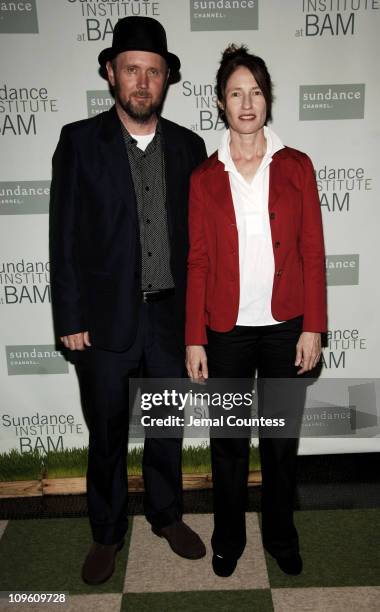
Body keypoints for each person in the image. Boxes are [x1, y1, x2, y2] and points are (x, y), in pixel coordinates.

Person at [49, 16, 207, 585]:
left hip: (169, 318)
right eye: (132, 69)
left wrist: (199, 324)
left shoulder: (191, 147)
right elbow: (62, 236)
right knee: (108, 433)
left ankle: (167, 516)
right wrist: (68, 316)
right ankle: (107, 532)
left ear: (167, 80)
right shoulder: (77, 141)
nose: (142, 82)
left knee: (167, 427)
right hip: (102, 323)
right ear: (112, 73)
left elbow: (201, 245)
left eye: (154, 72)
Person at [185, 45, 327, 578]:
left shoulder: (296, 166)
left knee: (280, 442)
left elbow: (312, 251)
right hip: (225, 331)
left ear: (268, 99)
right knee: (227, 443)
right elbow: (197, 260)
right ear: (221, 103)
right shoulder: (204, 176)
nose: (247, 103)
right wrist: (194, 336)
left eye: (256, 92)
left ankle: (281, 535)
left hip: (285, 325)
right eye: (236, 93)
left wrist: (314, 325)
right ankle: (227, 538)